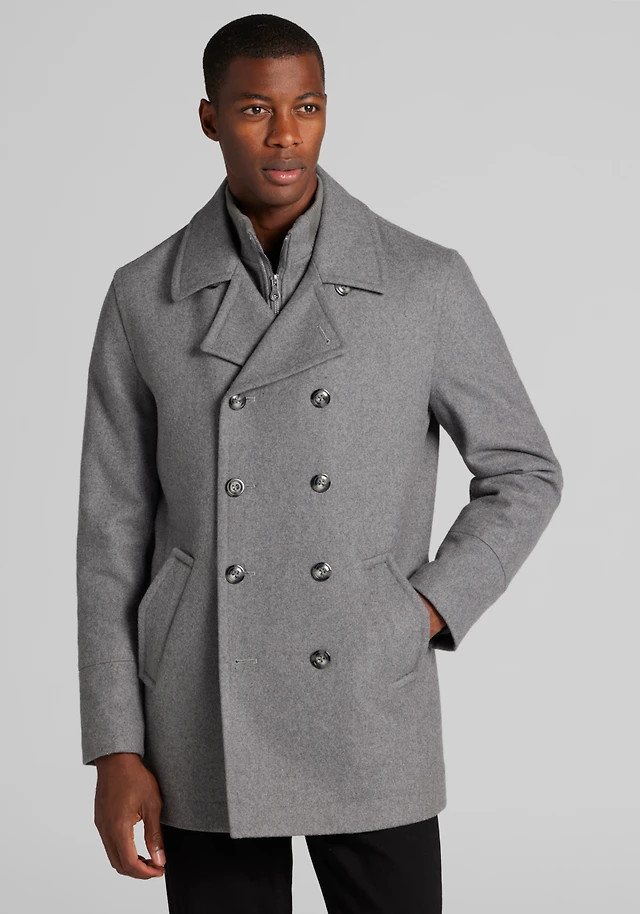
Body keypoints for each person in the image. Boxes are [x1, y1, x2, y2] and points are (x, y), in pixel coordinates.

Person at [76, 14, 563, 913]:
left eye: (306, 107)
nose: (285, 134)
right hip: (199, 704)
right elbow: (111, 534)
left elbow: (525, 470)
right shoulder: (145, 296)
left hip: (368, 698)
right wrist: (114, 745)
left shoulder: (422, 281)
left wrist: (423, 609)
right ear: (210, 119)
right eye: (255, 108)